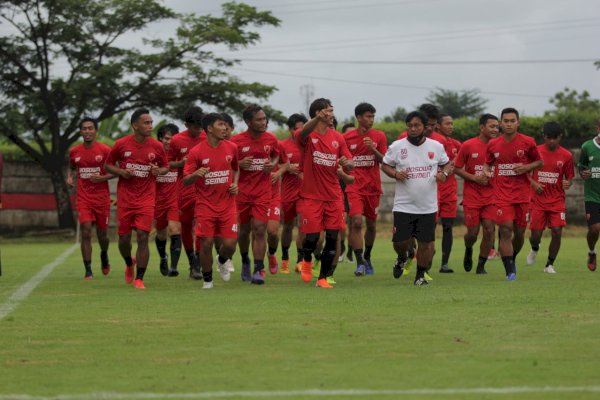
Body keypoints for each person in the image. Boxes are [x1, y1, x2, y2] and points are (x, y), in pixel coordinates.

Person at [382, 111, 451, 286]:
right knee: (400, 242)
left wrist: (444, 173)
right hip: (403, 205)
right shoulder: (397, 146)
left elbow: (446, 163)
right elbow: (385, 164)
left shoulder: (436, 146)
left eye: (417, 125)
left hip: (428, 206)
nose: (413, 129)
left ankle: (420, 276)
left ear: (425, 127)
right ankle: (401, 257)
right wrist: (396, 174)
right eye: (410, 125)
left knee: (426, 243)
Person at [104, 109, 169, 289]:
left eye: (151, 122)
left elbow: (165, 166)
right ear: (135, 125)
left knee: (142, 236)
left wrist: (159, 171)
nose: (150, 126)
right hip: (125, 199)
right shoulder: (121, 144)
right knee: (124, 239)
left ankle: (140, 278)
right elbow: (108, 165)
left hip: (147, 199)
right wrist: (121, 172)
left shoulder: (156, 146)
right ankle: (128, 262)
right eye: (146, 123)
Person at [296, 98, 353, 289]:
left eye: (332, 110)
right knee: (311, 239)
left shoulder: (338, 137)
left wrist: (347, 164)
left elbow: (350, 162)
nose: (332, 114)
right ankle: (306, 260)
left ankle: (322, 278)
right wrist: (314, 119)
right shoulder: (307, 135)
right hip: (311, 197)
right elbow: (302, 133)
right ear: (319, 113)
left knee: (332, 237)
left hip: (334, 196)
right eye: (329, 110)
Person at [484, 107, 542, 281]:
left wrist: (526, 167)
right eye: (506, 121)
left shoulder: (528, 142)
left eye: (512, 121)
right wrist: (487, 172)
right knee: (505, 229)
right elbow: (488, 163)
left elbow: (539, 161)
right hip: (501, 195)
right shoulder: (493, 144)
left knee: (519, 233)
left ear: (518, 123)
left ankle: (512, 258)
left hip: (522, 195)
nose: (509, 124)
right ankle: (510, 271)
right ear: (501, 123)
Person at [183, 113, 239, 289]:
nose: (225, 128)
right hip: (205, 205)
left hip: (228, 204)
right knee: (206, 242)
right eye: (221, 124)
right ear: (209, 128)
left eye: (226, 125)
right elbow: (185, 180)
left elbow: (236, 169)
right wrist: (195, 174)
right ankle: (208, 280)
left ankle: (222, 260)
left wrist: (235, 184)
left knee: (230, 245)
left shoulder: (232, 147)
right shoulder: (196, 152)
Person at [231, 104, 280, 284]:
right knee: (243, 232)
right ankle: (245, 259)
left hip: (263, 192)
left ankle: (259, 269)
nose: (263, 122)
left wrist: (271, 164)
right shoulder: (235, 142)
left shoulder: (271, 139)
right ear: (248, 121)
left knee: (260, 229)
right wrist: (239, 163)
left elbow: (276, 156)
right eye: (259, 119)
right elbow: (226, 164)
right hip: (242, 194)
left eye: (264, 118)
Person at [343, 103, 388, 276]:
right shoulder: (347, 138)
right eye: (368, 116)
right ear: (359, 118)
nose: (371, 120)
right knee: (355, 222)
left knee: (371, 224)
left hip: (373, 187)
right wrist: (346, 164)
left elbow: (385, 160)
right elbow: (342, 159)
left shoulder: (379, 136)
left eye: (373, 116)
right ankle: (360, 261)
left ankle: (368, 256)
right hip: (354, 186)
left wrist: (373, 149)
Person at [67, 117, 114, 279]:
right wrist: (70, 177)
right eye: (84, 129)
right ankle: (88, 269)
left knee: (102, 235)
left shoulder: (105, 150)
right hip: (83, 198)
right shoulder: (74, 151)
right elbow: (72, 167)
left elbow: (116, 171)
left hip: (102, 199)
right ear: (80, 131)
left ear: (96, 131)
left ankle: (104, 254)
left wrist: (103, 178)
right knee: (86, 231)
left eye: (90, 128)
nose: (87, 131)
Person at [526, 121, 574, 273]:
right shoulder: (535, 152)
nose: (551, 141)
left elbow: (570, 178)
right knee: (535, 235)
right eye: (548, 138)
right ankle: (534, 248)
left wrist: (568, 183)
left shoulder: (567, 156)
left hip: (557, 201)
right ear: (543, 137)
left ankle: (549, 264)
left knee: (557, 231)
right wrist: (534, 184)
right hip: (537, 201)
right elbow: (525, 173)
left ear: (560, 137)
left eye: (555, 138)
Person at [454, 113, 499, 274]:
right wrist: (474, 178)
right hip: (472, 196)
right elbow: (457, 168)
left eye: (496, 126)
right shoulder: (468, 145)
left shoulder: (500, 146)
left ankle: (481, 265)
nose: (495, 129)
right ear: (482, 127)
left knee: (489, 230)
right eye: (492, 126)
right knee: (472, 233)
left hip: (492, 196)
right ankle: (468, 248)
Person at [167, 106, 206, 279]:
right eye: (195, 127)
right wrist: (180, 164)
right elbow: (168, 164)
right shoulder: (176, 140)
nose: (198, 130)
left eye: (201, 126)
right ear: (186, 125)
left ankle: (197, 262)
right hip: (183, 189)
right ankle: (191, 261)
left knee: (200, 225)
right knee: (186, 226)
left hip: (203, 189)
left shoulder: (208, 137)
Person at [279, 113, 308, 274]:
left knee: (303, 225)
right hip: (288, 192)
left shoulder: (309, 145)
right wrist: (286, 168)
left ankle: (300, 260)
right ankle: (284, 258)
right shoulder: (282, 146)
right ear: (290, 130)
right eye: (297, 128)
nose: (300, 131)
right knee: (288, 226)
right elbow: (276, 168)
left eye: (303, 128)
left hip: (304, 193)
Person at [154, 123, 182, 277]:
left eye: (172, 139)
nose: (169, 141)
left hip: (174, 201)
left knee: (175, 230)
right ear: (160, 138)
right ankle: (163, 257)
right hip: (157, 201)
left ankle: (173, 267)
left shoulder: (180, 156)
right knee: (161, 234)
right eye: (166, 138)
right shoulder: (153, 155)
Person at [435, 114, 461, 273]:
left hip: (450, 191)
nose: (451, 126)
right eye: (447, 124)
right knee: (428, 227)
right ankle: (426, 257)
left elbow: (462, 165)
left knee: (448, 226)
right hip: (433, 190)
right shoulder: (430, 143)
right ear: (438, 126)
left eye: (452, 123)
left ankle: (444, 263)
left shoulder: (457, 144)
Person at [577, 118, 600, 271]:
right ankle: (592, 252)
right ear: (598, 127)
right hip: (593, 196)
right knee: (595, 229)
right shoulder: (587, 146)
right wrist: (582, 173)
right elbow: (581, 166)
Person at [339, 122, 356, 263]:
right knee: (343, 223)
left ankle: (351, 251)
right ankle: (342, 247)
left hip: (355, 189)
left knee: (354, 223)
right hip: (341, 189)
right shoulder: (338, 147)